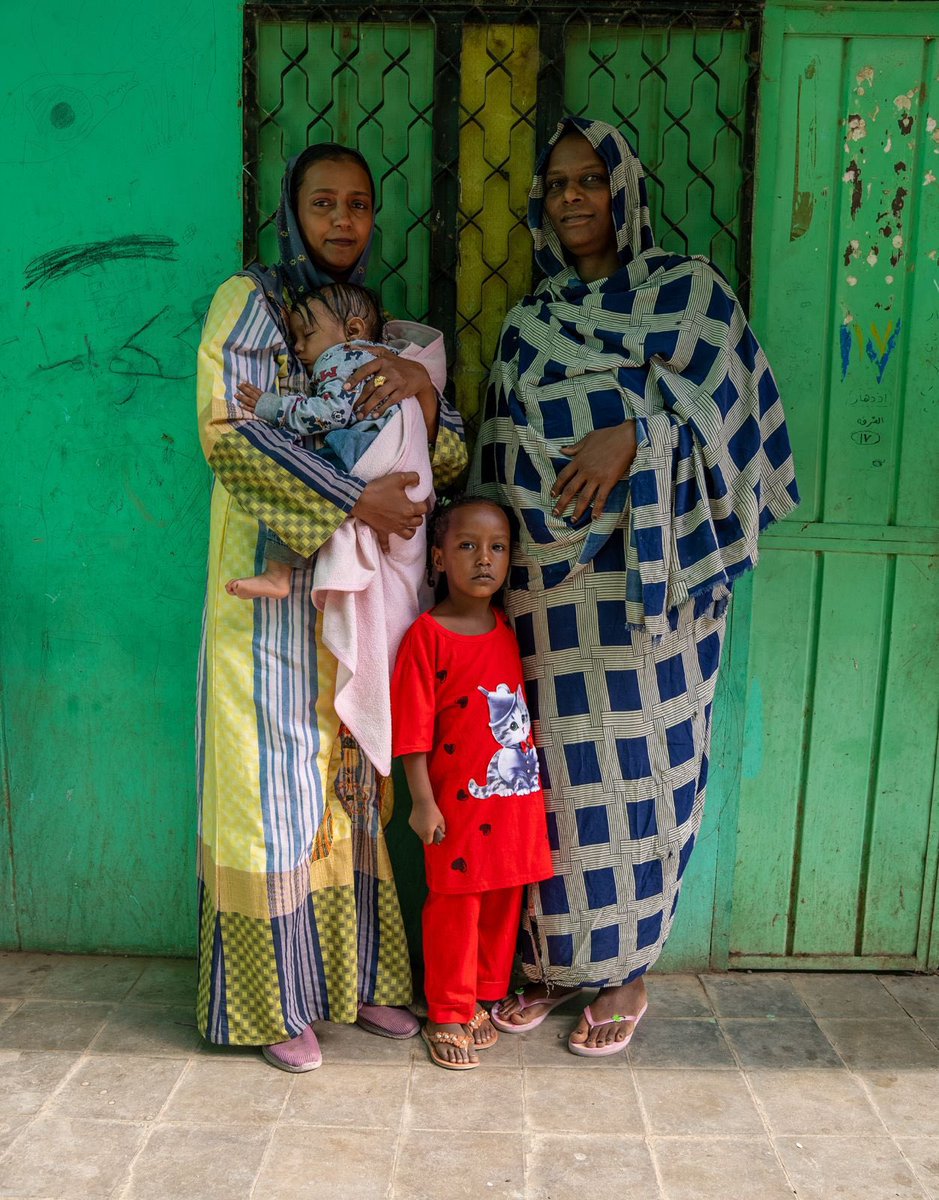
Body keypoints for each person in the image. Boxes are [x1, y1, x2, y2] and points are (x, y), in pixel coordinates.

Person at [471, 117, 798, 1056]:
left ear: (625, 191)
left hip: (657, 594)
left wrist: (640, 440)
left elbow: (741, 431)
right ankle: (545, 961)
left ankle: (624, 971)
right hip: (548, 595)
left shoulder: (691, 298)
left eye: (590, 179)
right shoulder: (530, 323)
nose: (572, 197)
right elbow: (500, 449)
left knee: (643, 774)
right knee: (555, 780)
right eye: (557, 183)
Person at [196, 142, 467, 1072]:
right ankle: (272, 1006)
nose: (341, 221)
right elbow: (228, 426)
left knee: (348, 793)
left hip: (356, 598)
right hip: (269, 599)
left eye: (357, 204)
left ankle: (351, 983)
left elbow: (449, 451)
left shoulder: (375, 322)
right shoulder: (255, 303)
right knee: (274, 795)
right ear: (290, 210)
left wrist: (424, 396)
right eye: (322, 203)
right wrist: (355, 498)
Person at [390, 497, 553, 1070]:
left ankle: (482, 997)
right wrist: (422, 803)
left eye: (497, 548)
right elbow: (411, 730)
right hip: (455, 807)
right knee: (455, 907)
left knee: (504, 900)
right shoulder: (426, 637)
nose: (484, 559)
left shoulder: (512, 630)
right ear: (437, 557)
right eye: (466, 546)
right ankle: (446, 1010)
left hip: (514, 803)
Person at [227, 282, 411, 601]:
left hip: (363, 444)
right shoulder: (391, 356)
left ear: (353, 329)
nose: (298, 348)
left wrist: (272, 407)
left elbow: (330, 414)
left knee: (299, 485)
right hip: (398, 449)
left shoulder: (339, 357)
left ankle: (278, 574)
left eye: (307, 336)